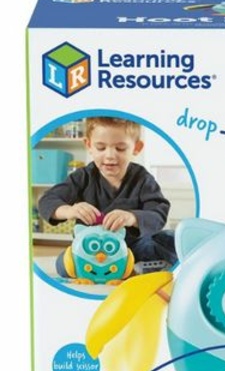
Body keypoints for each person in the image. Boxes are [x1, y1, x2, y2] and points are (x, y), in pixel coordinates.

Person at [38, 116, 177, 275]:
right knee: (63, 265)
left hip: (133, 249)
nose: (110, 155)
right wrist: (69, 210)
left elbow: (158, 213)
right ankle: (129, 270)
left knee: (168, 239)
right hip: (91, 251)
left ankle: (134, 267)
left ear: (136, 148)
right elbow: (47, 200)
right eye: (101, 148)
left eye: (120, 148)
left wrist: (132, 217)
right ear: (89, 146)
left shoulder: (142, 178)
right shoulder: (82, 177)